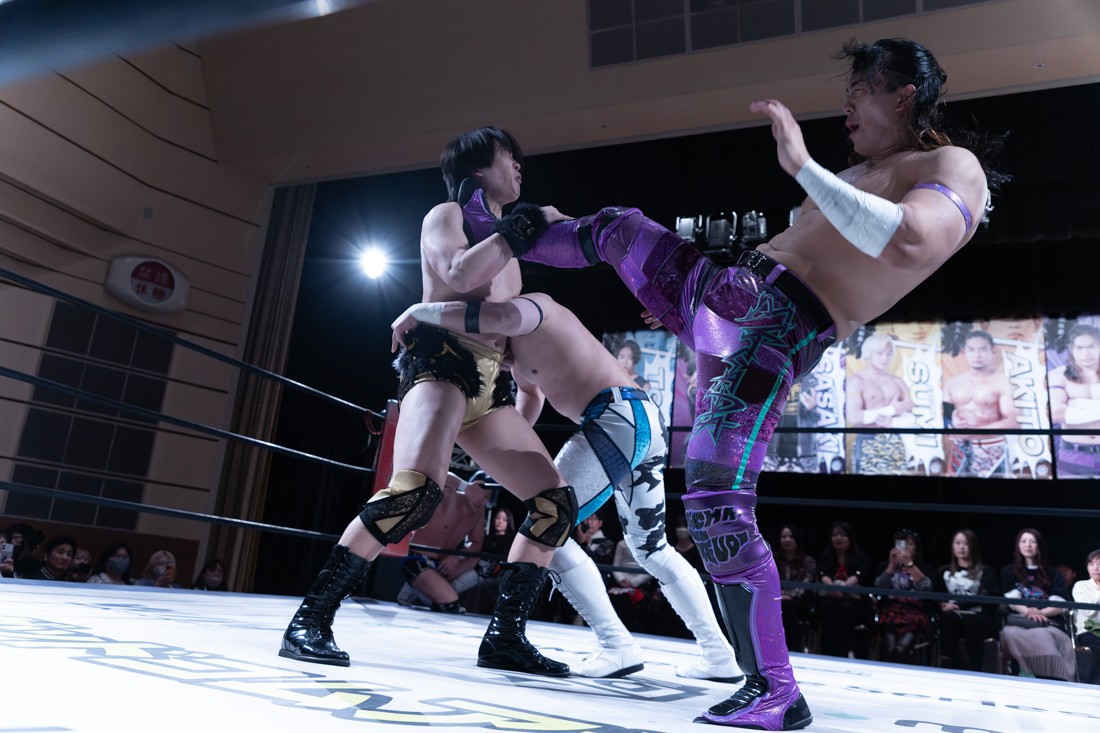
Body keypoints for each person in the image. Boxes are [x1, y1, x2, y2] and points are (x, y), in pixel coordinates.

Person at [512, 36, 997, 729]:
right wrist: (695, 315)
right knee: (620, 229)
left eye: (860, 91)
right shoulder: (858, 172)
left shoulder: (952, 167)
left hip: (778, 329)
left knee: (714, 503)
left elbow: (910, 240)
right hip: (726, 295)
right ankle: (507, 236)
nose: (846, 108)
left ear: (904, 95)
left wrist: (804, 168)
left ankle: (776, 689)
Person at [280, 126, 578, 677]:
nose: (519, 167)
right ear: (477, 168)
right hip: (441, 364)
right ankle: (310, 620)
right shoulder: (447, 216)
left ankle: (505, 638)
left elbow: (509, 331)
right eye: (509, 157)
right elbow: (460, 273)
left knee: (554, 502)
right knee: (414, 494)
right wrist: (525, 223)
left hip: (490, 386)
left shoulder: (511, 252)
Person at [392, 291, 742, 681]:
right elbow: (530, 396)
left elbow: (501, 317)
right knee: (651, 547)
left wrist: (421, 311)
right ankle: (718, 654)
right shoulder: (516, 351)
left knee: (549, 520)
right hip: (638, 419)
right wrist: (498, 452)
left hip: (617, 417)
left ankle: (616, 643)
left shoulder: (533, 307)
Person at [396, 472, 490, 613]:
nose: (481, 499)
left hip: (444, 565)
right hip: (418, 559)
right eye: (479, 493)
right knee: (449, 605)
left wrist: (458, 555)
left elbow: (477, 543)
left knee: (484, 564)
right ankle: (428, 590)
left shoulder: (479, 511)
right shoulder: (450, 496)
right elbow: (435, 473)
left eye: (487, 497)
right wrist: (465, 486)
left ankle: (431, 588)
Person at [999, 528, 1076, 681]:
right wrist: (1028, 612)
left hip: (1048, 622)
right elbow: (1010, 600)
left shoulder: (1053, 572)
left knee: (1044, 636)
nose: (1028, 545)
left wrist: (1041, 613)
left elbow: (1061, 602)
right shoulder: (1009, 571)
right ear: (1018, 545)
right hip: (1019, 622)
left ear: (1039, 545)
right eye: (1023, 541)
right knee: (1010, 634)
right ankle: (1021, 675)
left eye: (1032, 542)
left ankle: (1052, 679)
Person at [943, 330, 1017, 477]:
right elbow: (944, 417)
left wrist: (972, 433)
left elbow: (1012, 423)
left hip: (992, 449)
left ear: (992, 351)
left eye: (982, 349)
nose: (977, 355)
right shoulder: (952, 383)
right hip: (959, 450)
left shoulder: (1004, 383)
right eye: (971, 349)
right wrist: (952, 423)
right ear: (964, 352)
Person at [934, 529, 1000, 671]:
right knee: (948, 619)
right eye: (957, 543)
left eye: (966, 543)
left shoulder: (986, 571)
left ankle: (975, 668)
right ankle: (951, 665)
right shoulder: (943, 572)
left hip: (979, 617)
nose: (961, 547)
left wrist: (957, 606)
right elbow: (938, 596)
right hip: (953, 618)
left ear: (974, 546)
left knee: (971, 621)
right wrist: (942, 604)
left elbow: (984, 597)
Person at [846, 333, 912, 474]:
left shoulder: (897, 382)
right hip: (868, 440)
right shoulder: (857, 381)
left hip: (895, 440)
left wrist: (893, 422)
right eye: (880, 353)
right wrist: (891, 410)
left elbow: (912, 416)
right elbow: (854, 418)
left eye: (889, 354)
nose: (885, 358)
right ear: (869, 353)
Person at [873, 529, 934, 663]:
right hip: (891, 610)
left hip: (915, 611)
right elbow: (879, 587)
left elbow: (927, 587)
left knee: (901, 647)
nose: (905, 548)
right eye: (901, 543)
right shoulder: (885, 566)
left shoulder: (924, 567)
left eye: (909, 544)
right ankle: (892, 659)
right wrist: (891, 565)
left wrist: (909, 565)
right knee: (889, 632)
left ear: (916, 548)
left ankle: (898, 656)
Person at [815, 521, 873, 660]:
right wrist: (832, 587)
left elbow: (859, 576)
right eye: (835, 535)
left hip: (854, 600)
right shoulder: (824, 557)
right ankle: (827, 655)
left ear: (850, 538)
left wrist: (843, 588)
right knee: (827, 607)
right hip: (830, 597)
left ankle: (845, 654)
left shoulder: (863, 558)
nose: (838, 538)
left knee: (846, 607)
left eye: (842, 535)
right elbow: (823, 575)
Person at [1049, 323, 1100, 478]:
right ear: (1071, 349)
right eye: (1079, 348)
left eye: (1092, 347)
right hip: (1073, 454)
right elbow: (1055, 414)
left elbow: (1064, 412)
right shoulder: (1058, 375)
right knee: (1071, 493)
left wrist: (1074, 404)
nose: (1086, 353)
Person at [773, 524, 816, 653]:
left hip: (799, 601)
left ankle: (793, 648)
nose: (787, 540)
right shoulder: (772, 560)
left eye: (791, 537)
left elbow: (806, 583)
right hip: (776, 599)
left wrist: (788, 595)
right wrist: (779, 595)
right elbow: (768, 582)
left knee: (788, 606)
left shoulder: (808, 561)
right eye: (784, 537)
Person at [1072, 549, 1100, 685]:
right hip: (1088, 632)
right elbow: (1087, 611)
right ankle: (1094, 686)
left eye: (1099, 564)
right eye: (1091, 564)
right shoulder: (1081, 586)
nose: (1096, 568)